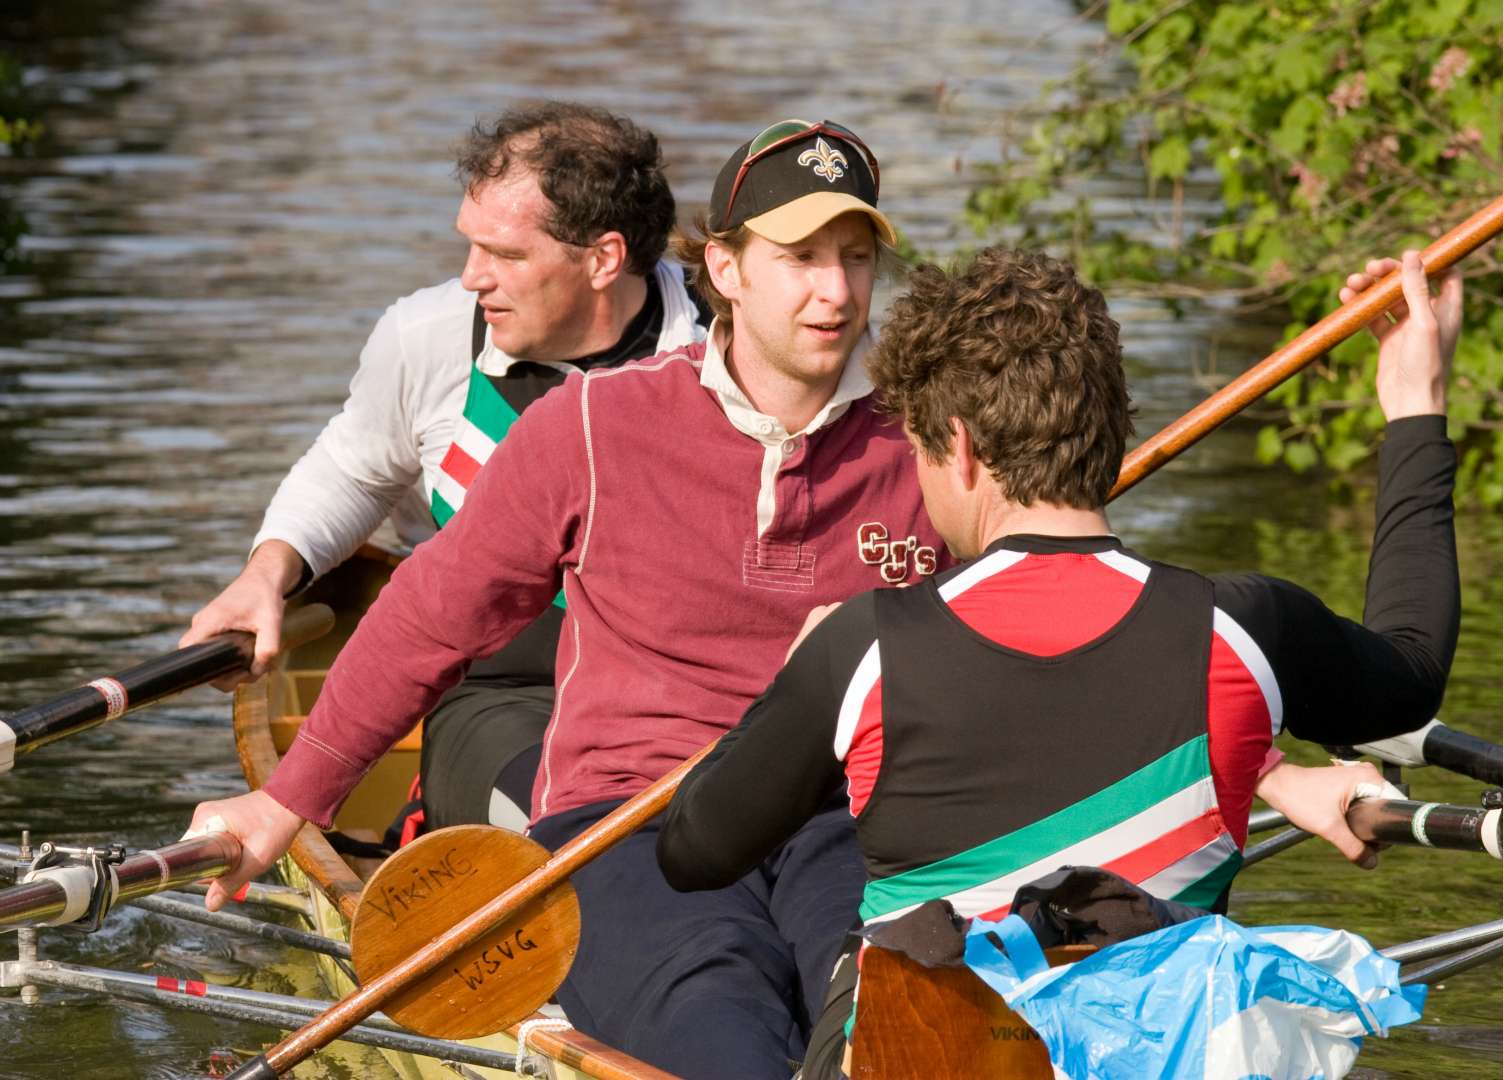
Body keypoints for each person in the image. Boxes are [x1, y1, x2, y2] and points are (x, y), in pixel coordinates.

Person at [187, 119, 945, 1078]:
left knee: (894, 1016)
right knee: (720, 1024)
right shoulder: (590, 426)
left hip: (847, 819)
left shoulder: (934, 444)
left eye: (855, 258)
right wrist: (285, 802)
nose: (835, 292)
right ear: (727, 269)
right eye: (800, 258)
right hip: (632, 821)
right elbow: (426, 622)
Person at [655, 246, 1463, 1077]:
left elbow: (694, 850)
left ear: (959, 446)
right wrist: (1415, 407)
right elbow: (1413, 669)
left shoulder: (864, 646)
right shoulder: (1246, 628)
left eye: (918, 451)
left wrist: (792, 678)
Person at [179, 102, 708, 834]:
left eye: (506, 255)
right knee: (584, 833)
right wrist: (265, 577)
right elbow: (354, 472)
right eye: (470, 245)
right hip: (502, 697)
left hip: (690, 699)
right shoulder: (430, 337)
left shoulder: (730, 347)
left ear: (603, 259)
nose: (470, 278)